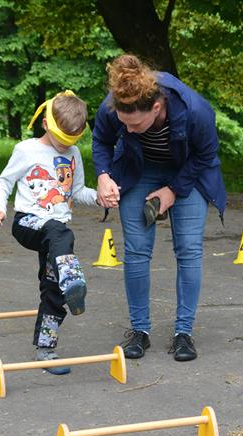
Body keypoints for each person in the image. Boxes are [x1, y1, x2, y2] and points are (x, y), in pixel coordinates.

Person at [92, 54, 226, 362]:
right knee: (137, 250)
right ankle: (140, 331)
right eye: (126, 125)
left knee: (189, 249)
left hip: (187, 173)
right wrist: (102, 175)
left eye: (136, 124)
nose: (131, 130)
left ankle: (183, 333)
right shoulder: (113, 108)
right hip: (138, 170)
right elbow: (101, 140)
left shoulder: (195, 111)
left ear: (156, 107)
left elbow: (206, 156)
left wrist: (174, 191)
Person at [0, 90, 98, 375]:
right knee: (60, 232)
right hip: (28, 223)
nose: (65, 146)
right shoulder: (26, 150)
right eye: (62, 140)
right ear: (47, 125)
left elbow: (76, 192)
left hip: (56, 239)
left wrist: (99, 197)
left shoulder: (73, 154)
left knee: (53, 291)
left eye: (72, 141)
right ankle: (72, 278)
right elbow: (4, 181)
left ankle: (46, 350)